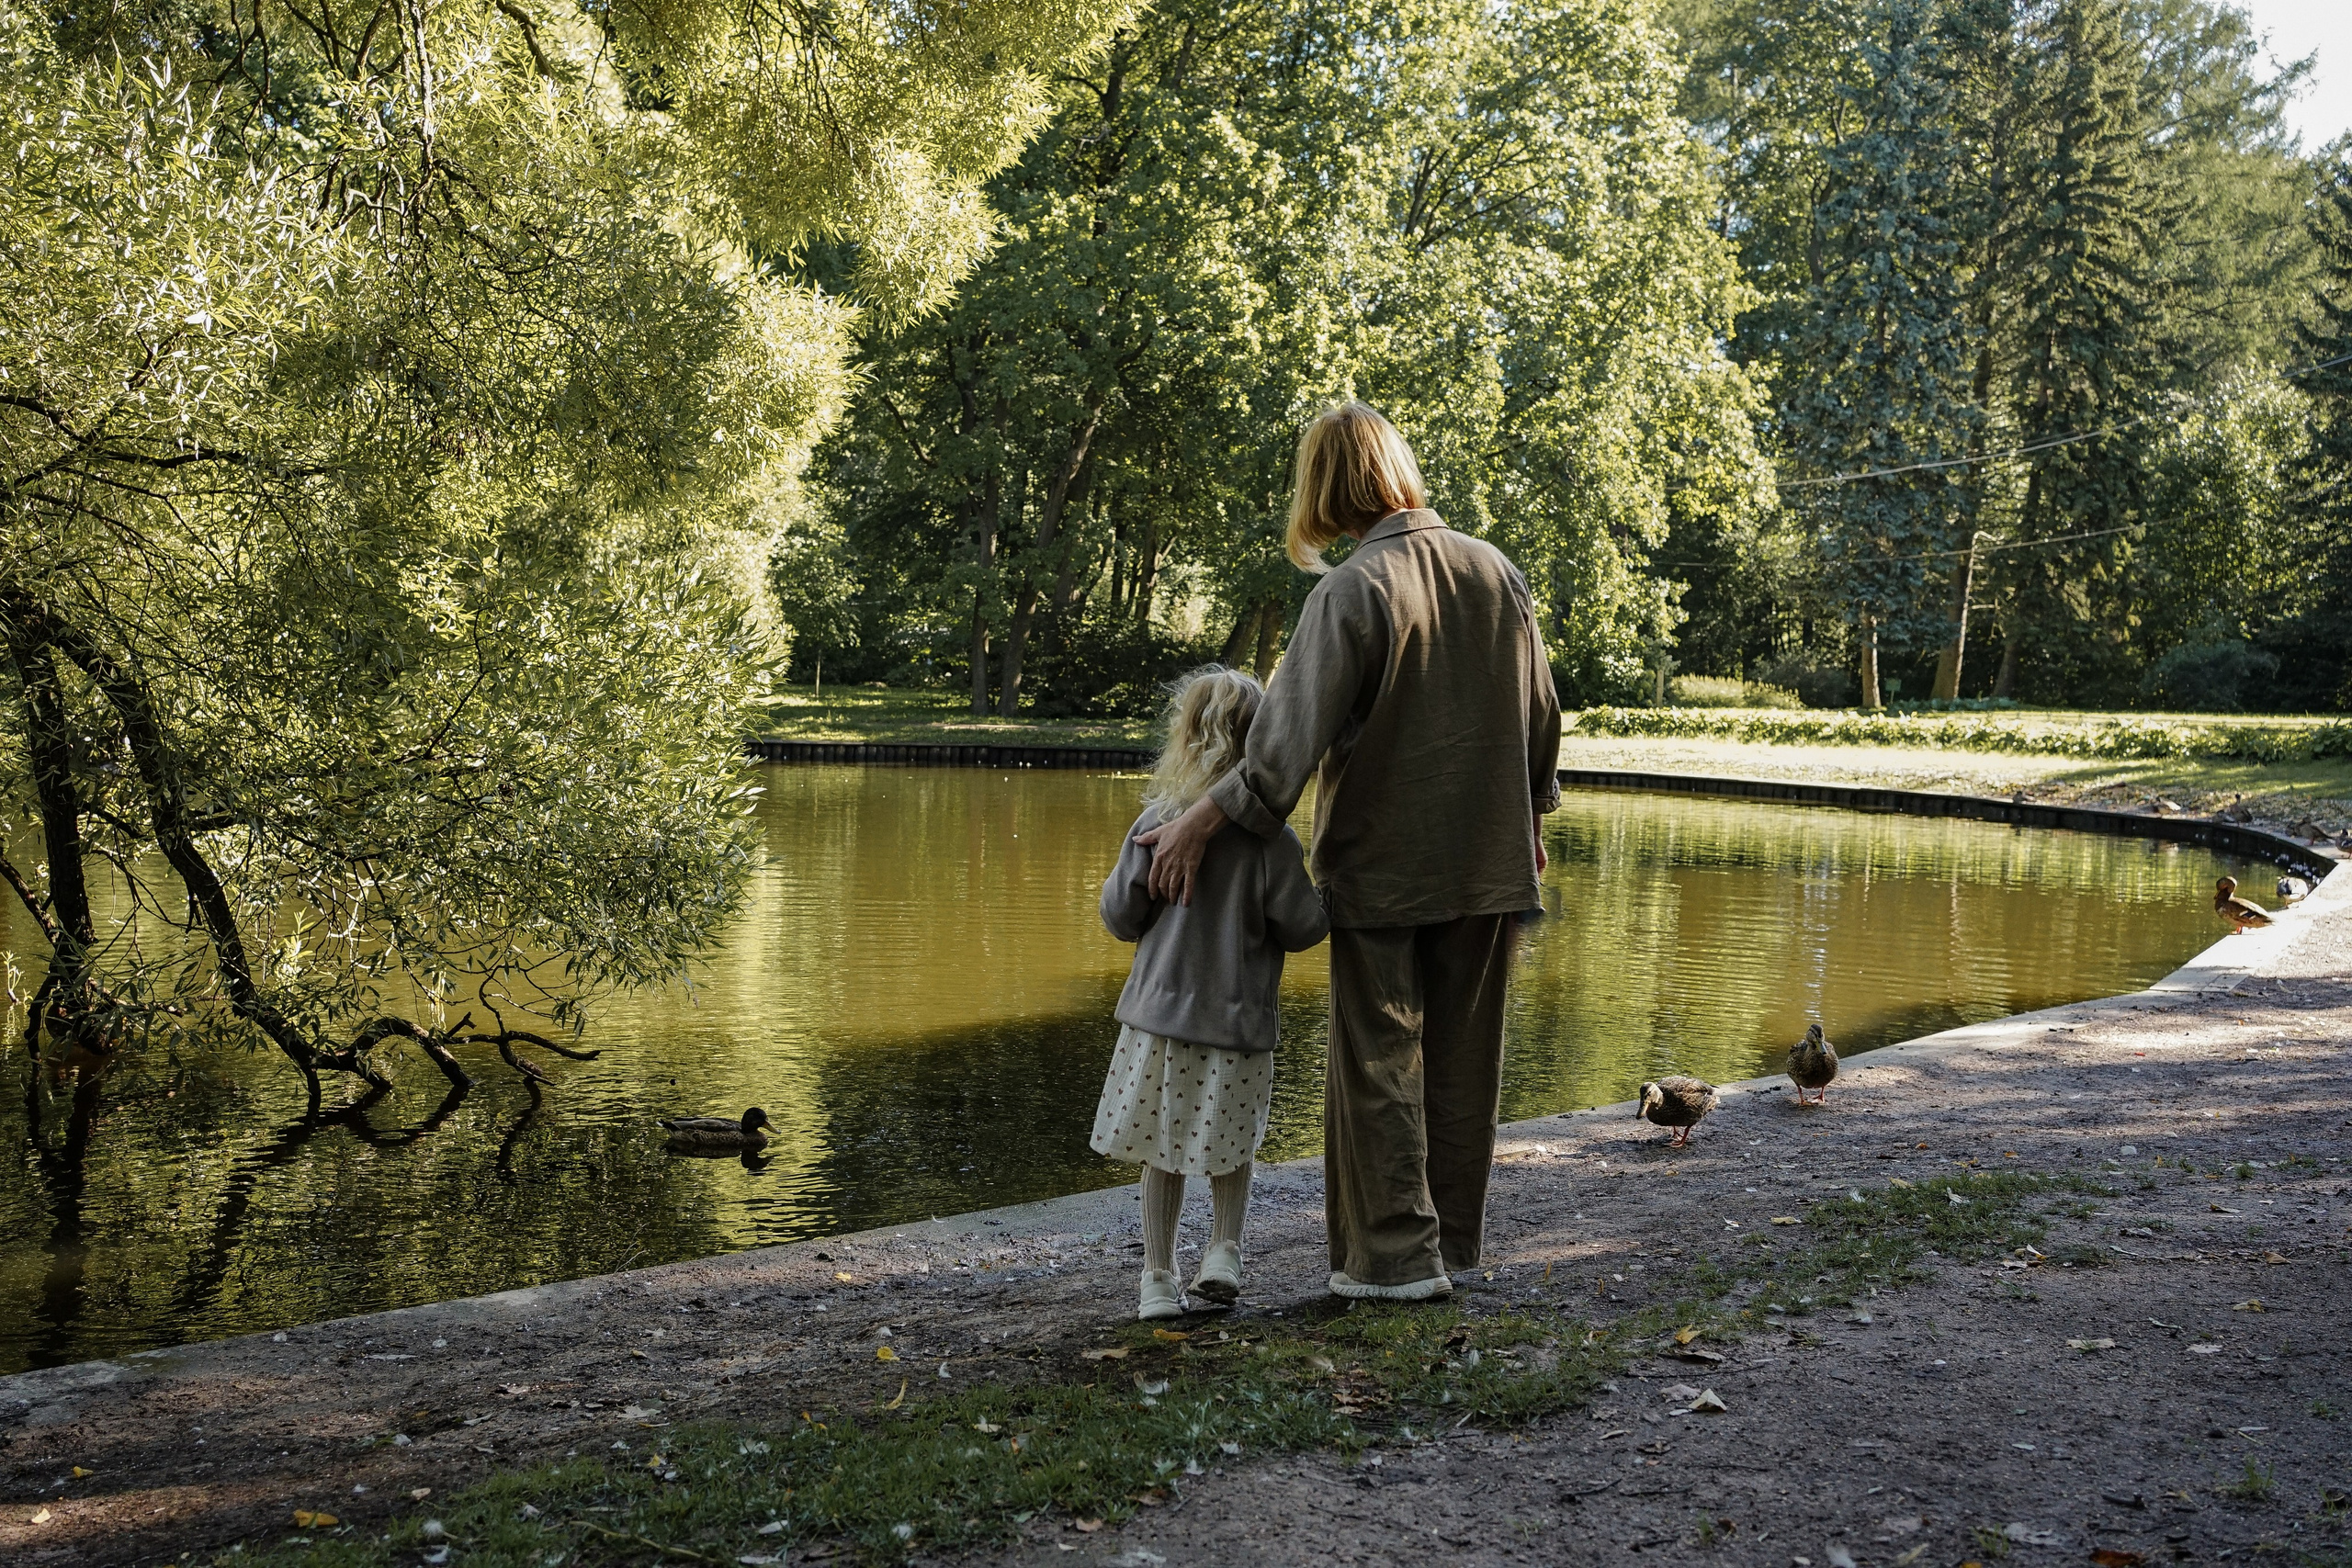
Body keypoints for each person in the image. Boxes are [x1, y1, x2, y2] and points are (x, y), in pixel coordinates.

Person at [1136, 402, 1560, 1302]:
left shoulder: (1351, 590)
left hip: (1384, 866)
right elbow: (1541, 718)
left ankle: (1397, 1263)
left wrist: (1195, 823)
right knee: (1463, 1064)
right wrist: (1531, 820)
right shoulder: (1497, 571)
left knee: (1380, 1062)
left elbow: (1277, 756)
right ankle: (1454, 1249)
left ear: (1325, 488)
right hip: (1491, 862)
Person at [1092, 667, 1330, 1319]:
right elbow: (1305, 928)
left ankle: (1156, 1279)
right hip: (1238, 1027)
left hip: (1159, 1025)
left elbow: (1119, 918)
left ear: (1186, 738)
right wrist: (1330, 891)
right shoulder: (1271, 843)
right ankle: (1224, 1251)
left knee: (1161, 1153)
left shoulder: (1156, 825)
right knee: (1233, 1145)